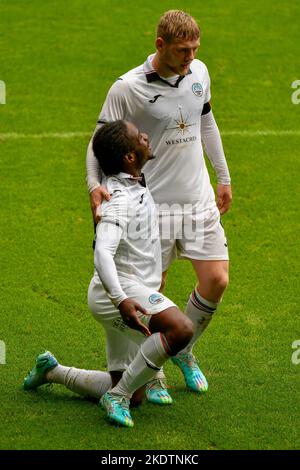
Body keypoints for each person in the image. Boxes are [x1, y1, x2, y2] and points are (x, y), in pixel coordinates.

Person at [86, 10, 232, 395]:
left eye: (195, 49)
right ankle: (152, 373)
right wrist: (93, 185)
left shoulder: (198, 72)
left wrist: (223, 176)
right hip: (156, 205)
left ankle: (184, 351)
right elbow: (97, 141)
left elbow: (206, 122)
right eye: (183, 50)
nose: (190, 56)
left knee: (216, 279)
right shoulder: (128, 87)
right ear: (160, 45)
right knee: (155, 289)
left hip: (198, 198)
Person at [24, 120, 194, 428]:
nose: (145, 136)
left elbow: (96, 141)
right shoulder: (118, 200)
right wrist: (121, 300)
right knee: (179, 330)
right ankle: (117, 397)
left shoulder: (134, 177)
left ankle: (52, 371)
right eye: (138, 137)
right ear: (129, 157)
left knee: (134, 393)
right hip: (116, 294)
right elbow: (102, 251)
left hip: (128, 290)